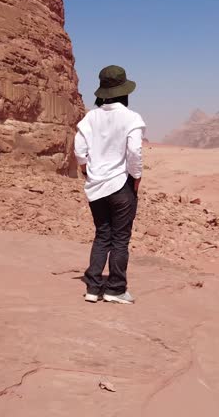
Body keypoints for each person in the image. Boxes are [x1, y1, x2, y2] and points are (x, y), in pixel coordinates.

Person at [74, 65, 145, 304]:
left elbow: (79, 150)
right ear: (125, 91)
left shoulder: (90, 117)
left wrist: (87, 170)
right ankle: (115, 288)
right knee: (120, 239)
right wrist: (136, 177)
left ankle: (93, 287)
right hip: (121, 185)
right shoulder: (131, 118)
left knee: (102, 235)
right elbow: (134, 151)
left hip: (96, 185)